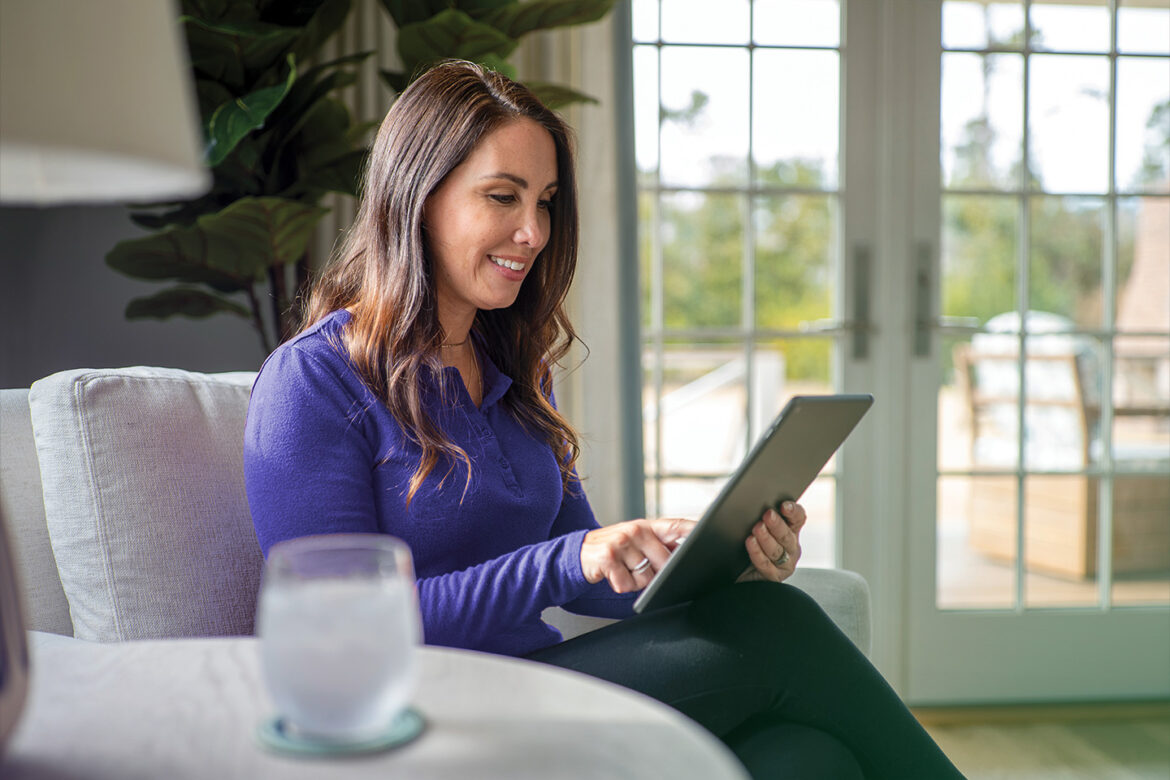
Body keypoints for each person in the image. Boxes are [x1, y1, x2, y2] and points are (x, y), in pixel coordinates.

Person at [243, 60, 964, 779]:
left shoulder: (514, 371)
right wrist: (568, 559)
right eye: (503, 197)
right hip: (432, 712)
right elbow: (343, 637)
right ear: (417, 197)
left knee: (807, 758)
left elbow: (585, 570)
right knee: (781, 629)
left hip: (542, 683)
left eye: (547, 202)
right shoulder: (314, 381)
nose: (533, 232)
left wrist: (707, 564)